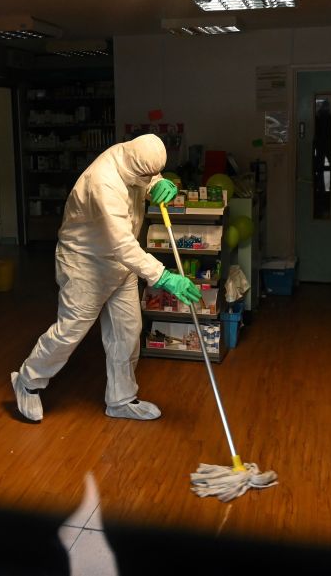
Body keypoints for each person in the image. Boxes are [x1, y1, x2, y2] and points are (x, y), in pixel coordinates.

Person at [11, 134, 202, 421]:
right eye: (146, 175)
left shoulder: (133, 156)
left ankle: (121, 399)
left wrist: (158, 183)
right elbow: (122, 245)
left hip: (121, 265)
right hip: (85, 264)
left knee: (127, 331)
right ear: (133, 166)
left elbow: (144, 176)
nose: (148, 177)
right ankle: (27, 380)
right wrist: (164, 277)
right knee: (70, 332)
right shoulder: (103, 182)